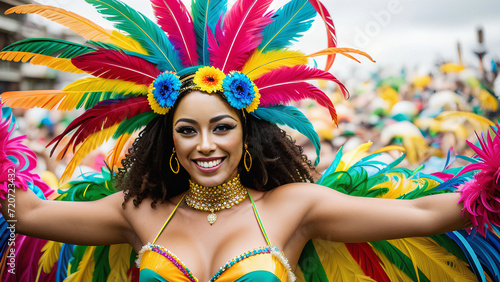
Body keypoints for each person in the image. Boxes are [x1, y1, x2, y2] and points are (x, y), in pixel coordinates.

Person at [0, 0, 499, 281]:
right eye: (187, 130)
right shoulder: (139, 212)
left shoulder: (293, 206)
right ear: (168, 142)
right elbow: (31, 215)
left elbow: (424, 215)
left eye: (222, 127)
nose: (205, 145)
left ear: (247, 134)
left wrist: (492, 183)